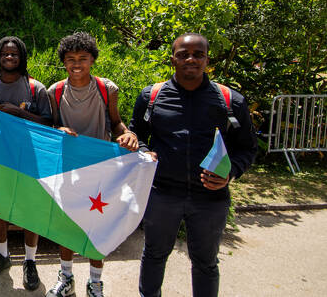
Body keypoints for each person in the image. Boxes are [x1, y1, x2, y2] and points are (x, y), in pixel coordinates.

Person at [129, 33, 256, 297]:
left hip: (210, 198)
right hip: (162, 194)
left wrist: (231, 172)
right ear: (172, 59)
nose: (191, 59)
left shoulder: (231, 100)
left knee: (206, 264)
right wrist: (143, 150)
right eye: (183, 54)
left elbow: (247, 148)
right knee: (153, 255)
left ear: (207, 60)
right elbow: (136, 133)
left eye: (198, 54)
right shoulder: (151, 96)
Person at [44, 33, 139, 297]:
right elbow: (52, 126)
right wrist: (59, 129)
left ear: (92, 60)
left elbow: (116, 121)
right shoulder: (55, 91)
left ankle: (95, 282)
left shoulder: (107, 89)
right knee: (67, 224)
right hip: (68, 169)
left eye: (83, 58)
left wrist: (128, 133)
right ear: (63, 62)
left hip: (102, 169)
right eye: (70, 59)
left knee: (98, 225)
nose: (77, 64)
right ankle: (66, 278)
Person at [0, 36, 52, 290]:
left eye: (14, 54)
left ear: (22, 57)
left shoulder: (35, 88)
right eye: (5, 54)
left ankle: (30, 261)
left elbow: (48, 124)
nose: (9, 58)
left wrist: (16, 111)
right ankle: (2, 256)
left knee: (30, 213)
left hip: (30, 162)